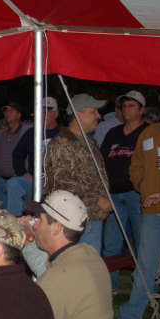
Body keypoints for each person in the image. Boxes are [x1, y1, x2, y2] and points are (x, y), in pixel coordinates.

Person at [27, 190, 121, 319]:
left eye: (40, 220)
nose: (35, 224)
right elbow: (57, 271)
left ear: (57, 227)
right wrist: (29, 244)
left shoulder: (55, 281)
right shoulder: (89, 254)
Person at [117, 87, 160, 319]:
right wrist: (142, 185)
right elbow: (135, 166)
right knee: (144, 268)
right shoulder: (149, 133)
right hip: (153, 212)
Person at [44, 93, 112, 253]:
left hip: (93, 218)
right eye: (93, 111)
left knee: (90, 264)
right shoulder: (61, 143)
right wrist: (97, 198)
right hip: (72, 221)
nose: (98, 116)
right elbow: (62, 183)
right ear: (78, 114)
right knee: (74, 263)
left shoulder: (91, 143)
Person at [100, 90, 148, 292]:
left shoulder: (148, 132)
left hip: (136, 194)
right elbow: (102, 161)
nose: (126, 109)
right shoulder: (113, 133)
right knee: (111, 243)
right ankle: (110, 286)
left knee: (142, 242)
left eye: (132, 106)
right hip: (113, 195)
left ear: (142, 110)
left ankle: (143, 286)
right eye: (124, 106)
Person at [5, 97, 61, 216]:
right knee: (14, 183)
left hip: (58, 185)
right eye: (41, 111)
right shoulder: (32, 133)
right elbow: (17, 155)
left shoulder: (63, 133)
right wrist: (23, 173)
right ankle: (14, 221)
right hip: (36, 183)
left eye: (47, 111)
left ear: (56, 114)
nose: (43, 115)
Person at [0, 102, 31, 209]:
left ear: (19, 115)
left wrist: (31, 173)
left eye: (11, 111)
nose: (7, 113)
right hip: (1, 182)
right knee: (2, 216)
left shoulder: (28, 132)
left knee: (17, 215)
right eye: (6, 111)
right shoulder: (0, 137)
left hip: (18, 182)